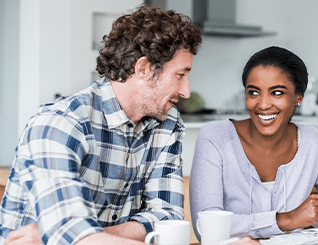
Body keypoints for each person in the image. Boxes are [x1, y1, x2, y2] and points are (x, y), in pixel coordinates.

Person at [0, 5, 202, 245]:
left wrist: (77, 235)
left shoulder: (167, 124)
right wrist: (74, 235)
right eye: (180, 75)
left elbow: (167, 219)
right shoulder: (60, 124)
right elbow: (72, 234)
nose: (186, 91)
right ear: (144, 68)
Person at [190, 46, 318, 241]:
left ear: (298, 98)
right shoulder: (216, 137)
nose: (263, 104)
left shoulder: (312, 141)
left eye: (277, 93)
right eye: (253, 92)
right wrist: (287, 219)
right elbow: (205, 227)